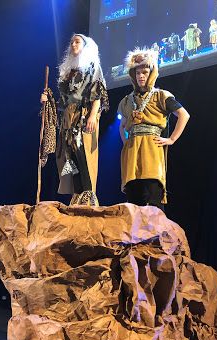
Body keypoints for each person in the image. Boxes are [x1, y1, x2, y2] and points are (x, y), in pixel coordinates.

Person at [41, 34, 109, 206]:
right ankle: (78, 193)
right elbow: (63, 102)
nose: (73, 44)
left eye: (77, 42)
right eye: (71, 42)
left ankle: (88, 193)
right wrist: (47, 100)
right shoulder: (69, 73)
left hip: (83, 114)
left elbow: (98, 93)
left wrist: (93, 115)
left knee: (83, 151)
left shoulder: (92, 66)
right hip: (68, 118)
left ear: (85, 46)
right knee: (69, 155)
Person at [118, 49, 190, 210]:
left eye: (144, 72)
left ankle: (158, 234)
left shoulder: (161, 95)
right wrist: (126, 142)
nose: (141, 76)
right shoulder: (127, 100)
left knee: (152, 196)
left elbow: (184, 115)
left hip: (151, 148)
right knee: (133, 200)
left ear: (151, 73)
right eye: (138, 73)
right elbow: (122, 126)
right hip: (132, 152)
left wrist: (171, 139)